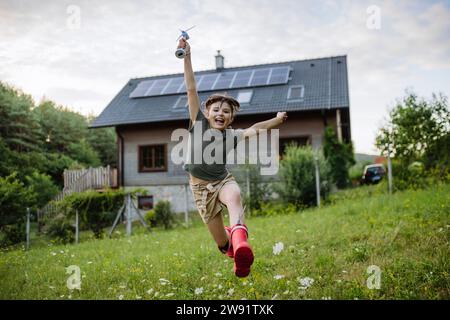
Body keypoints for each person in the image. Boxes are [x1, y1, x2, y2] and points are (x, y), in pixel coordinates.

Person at [179, 37, 288, 277]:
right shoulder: (198, 123)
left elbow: (257, 128)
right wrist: (187, 56)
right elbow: (190, 88)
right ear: (207, 113)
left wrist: (277, 120)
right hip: (200, 190)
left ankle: (241, 243)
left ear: (231, 119)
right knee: (221, 244)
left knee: (235, 196)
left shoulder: (233, 135)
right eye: (216, 109)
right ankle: (235, 251)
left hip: (222, 181)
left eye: (226, 111)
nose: (221, 113)